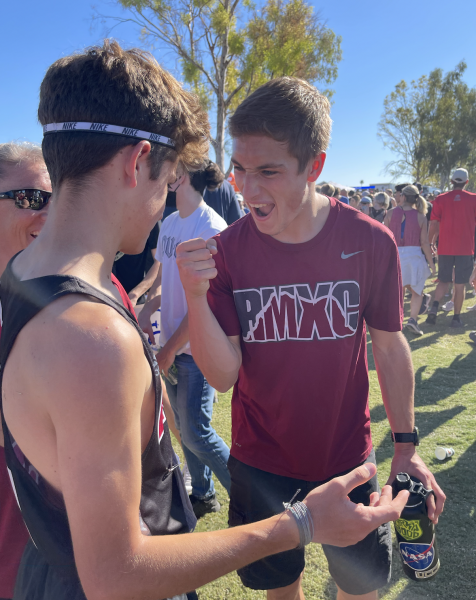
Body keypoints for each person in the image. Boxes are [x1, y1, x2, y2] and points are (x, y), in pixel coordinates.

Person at [0, 42, 411, 600]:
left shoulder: (30, 274)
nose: (166, 204)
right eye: (168, 182)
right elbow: (116, 574)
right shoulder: (89, 338)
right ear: (138, 162)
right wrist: (302, 525)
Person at [177, 76, 445, 600]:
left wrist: (407, 446)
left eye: (268, 172)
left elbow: (389, 346)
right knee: (282, 591)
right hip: (261, 463)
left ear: (314, 167)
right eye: (240, 170)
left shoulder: (370, 241)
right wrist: (193, 294)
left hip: (348, 458)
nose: (247, 189)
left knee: (360, 589)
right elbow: (223, 376)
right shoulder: (225, 252)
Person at [138, 160, 231, 518]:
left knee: (195, 432)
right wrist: (149, 307)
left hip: (195, 349)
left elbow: (205, 305)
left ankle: (249, 495)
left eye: (173, 167)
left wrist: (170, 350)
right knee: (186, 429)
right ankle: (204, 494)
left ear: (184, 176)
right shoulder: (171, 224)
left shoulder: (211, 228)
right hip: (171, 347)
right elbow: (167, 284)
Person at [0, 142, 50, 600]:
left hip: (57, 553)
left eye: (57, 199)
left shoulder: (72, 289)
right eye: (32, 199)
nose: (49, 214)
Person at [426, 167, 476, 328]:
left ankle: (433, 309)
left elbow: (433, 223)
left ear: (451, 181)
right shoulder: (474, 199)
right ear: (466, 182)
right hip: (465, 248)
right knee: (460, 285)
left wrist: (430, 242)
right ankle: (456, 318)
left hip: (445, 248)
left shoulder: (440, 199)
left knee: (443, 281)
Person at [384, 186, 435, 336]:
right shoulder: (421, 216)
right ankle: (412, 320)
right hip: (414, 256)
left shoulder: (390, 213)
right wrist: (431, 264)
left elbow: (384, 237)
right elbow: (425, 242)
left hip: (395, 255)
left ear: (404, 197)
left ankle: (397, 320)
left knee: (399, 290)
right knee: (417, 291)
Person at [113, 222, 160, 306]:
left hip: (134, 302)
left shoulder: (148, 216)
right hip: (103, 298)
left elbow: (159, 263)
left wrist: (135, 294)